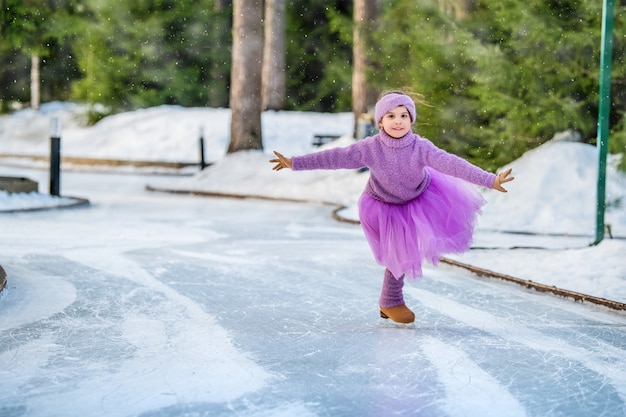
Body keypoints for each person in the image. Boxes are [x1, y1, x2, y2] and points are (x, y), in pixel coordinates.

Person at [269, 90, 514, 324]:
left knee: (403, 252)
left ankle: (390, 301)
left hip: (417, 200)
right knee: (397, 253)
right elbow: (336, 157)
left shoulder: (421, 148)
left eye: (404, 116)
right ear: (380, 121)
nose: (398, 121)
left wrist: (490, 179)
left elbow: (452, 164)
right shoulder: (370, 148)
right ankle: (390, 301)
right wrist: (295, 163)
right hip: (381, 205)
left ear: (411, 120)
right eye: (391, 116)